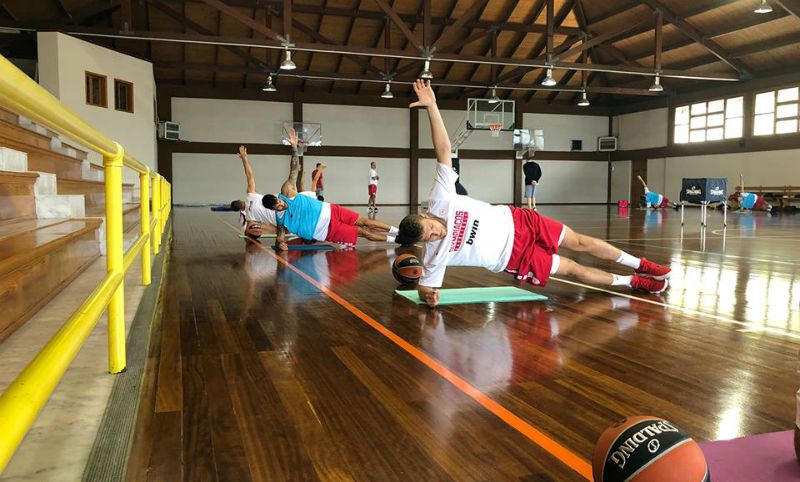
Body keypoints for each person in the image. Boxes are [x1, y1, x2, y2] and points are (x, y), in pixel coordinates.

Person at [397, 80, 671, 308]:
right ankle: (634, 282)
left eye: (431, 228)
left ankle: (642, 264)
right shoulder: (434, 255)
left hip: (520, 221)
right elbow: (425, 287)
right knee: (572, 268)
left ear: (426, 215)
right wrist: (428, 296)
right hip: (513, 257)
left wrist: (432, 106)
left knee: (580, 242)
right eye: (429, 238)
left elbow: (443, 150)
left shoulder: (441, 199)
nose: (436, 234)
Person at [263, 135, 400, 251]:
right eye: (278, 207)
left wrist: (294, 147)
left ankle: (399, 231)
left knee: (366, 222)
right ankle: (397, 240)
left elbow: (293, 169)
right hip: (325, 230)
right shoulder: (280, 220)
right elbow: (279, 238)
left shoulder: (286, 192)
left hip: (330, 210)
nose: (282, 205)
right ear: (274, 210)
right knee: (363, 232)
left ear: (278, 197)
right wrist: (280, 244)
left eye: (280, 202)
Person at [229, 143, 314, 234]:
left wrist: (249, 232)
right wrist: (244, 159)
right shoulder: (250, 197)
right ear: (240, 200)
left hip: (281, 218)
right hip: (283, 210)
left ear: (240, 210)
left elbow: (249, 231)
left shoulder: (249, 216)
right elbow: (249, 175)